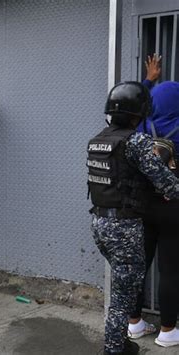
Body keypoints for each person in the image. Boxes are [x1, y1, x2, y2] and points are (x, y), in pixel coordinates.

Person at [87, 81, 179, 355]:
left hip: (100, 223)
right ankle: (114, 348)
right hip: (124, 227)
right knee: (121, 296)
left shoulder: (99, 139)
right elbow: (166, 183)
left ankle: (125, 337)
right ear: (138, 112)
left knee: (123, 286)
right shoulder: (135, 141)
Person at [128, 54, 179, 348]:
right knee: (170, 270)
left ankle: (134, 324)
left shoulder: (142, 128)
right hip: (174, 207)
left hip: (144, 205)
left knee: (139, 265)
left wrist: (148, 81)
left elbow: (130, 104)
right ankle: (168, 331)